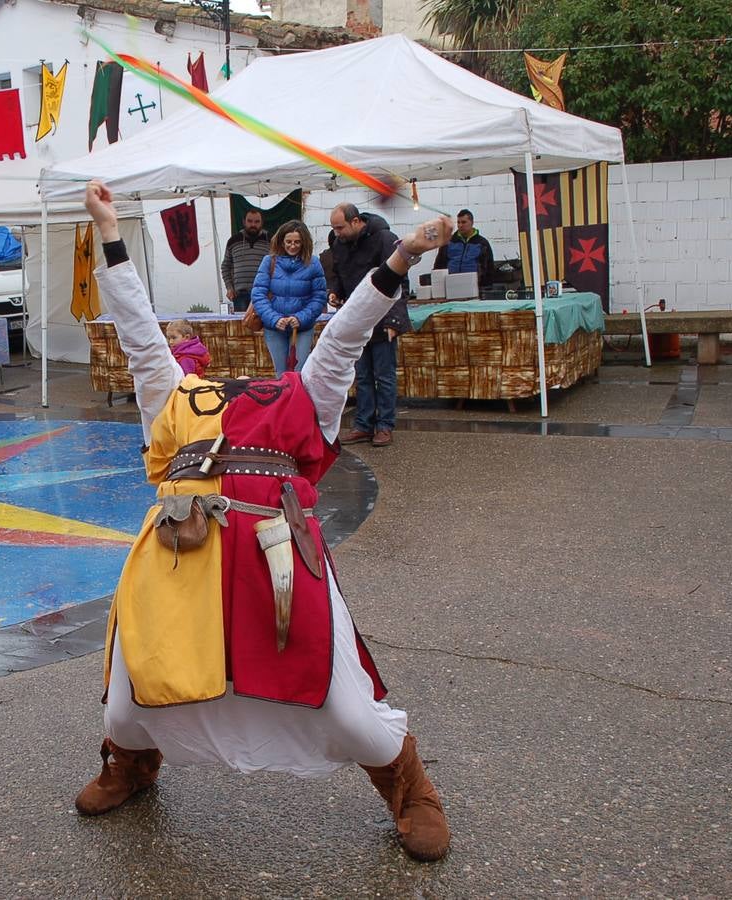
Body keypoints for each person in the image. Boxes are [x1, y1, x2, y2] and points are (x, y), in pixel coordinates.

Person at [72, 180, 455, 864]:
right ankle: (130, 762)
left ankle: (407, 783)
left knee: (337, 699)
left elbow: (343, 335)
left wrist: (399, 258)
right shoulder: (175, 392)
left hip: (277, 557)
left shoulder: (305, 392)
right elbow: (136, 330)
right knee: (131, 694)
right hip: (175, 553)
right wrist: (108, 230)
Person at [328, 203, 410, 448]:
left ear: (356, 221)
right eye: (334, 228)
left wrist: (394, 320)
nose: (337, 233)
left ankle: (384, 425)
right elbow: (341, 275)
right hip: (357, 320)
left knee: (384, 375)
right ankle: (363, 424)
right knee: (362, 375)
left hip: (383, 318)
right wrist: (335, 292)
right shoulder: (339, 244)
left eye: (340, 227)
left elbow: (399, 279)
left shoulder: (385, 239)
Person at [250, 220, 327, 375]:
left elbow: (319, 298)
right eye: (289, 242)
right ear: (281, 241)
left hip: (302, 328)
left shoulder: (313, 263)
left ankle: (298, 399)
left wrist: (300, 318)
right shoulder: (268, 261)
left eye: (297, 242)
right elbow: (258, 294)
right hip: (274, 328)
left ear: (304, 242)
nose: (293, 246)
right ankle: (285, 400)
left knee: (300, 372)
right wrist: (274, 319)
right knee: (281, 373)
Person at [431, 209, 495, 289]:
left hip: (475, 287)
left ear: (472, 222)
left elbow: (489, 267)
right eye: (458, 222)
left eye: (464, 222)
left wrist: (486, 287)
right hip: (451, 286)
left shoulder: (482, 243)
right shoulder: (448, 242)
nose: (460, 225)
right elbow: (439, 264)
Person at [220, 209, 268, 313]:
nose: (253, 225)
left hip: (264, 295)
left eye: (257, 221)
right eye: (250, 221)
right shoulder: (233, 241)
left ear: (262, 223)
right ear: (244, 222)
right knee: (242, 327)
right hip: (240, 295)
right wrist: (229, 287)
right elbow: (225, 266)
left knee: (262, 327)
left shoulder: (271, 241)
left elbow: (277, 266)